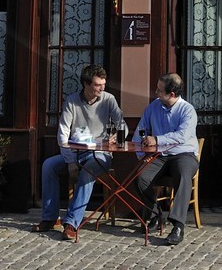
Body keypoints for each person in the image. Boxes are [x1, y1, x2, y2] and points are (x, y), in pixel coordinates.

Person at [35, 64, 125, 242]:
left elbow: (122, 124)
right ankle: (50, 217)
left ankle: (72, 223)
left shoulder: (109, 100)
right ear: (86, 84)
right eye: (98, 85)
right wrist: (69, 161)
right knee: (48, 166)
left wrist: (117, 135)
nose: (102, 88)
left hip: (100, 154)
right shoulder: (72, 101)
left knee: (89, 170)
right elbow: (63, 134)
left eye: (103, 84)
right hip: (76, 152)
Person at [133, 72, 198, 247]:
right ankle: (156, 215)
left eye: (159, 90)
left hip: (183, 154)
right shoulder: (153, 106)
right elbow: (140, 131)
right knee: (139, 177)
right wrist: (141, 156)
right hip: (158, 156)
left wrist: (158, 139)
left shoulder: (187, 110)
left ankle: (178, 225)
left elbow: (182, 135)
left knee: (183, 177)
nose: (155, 92)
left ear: (172, 94)